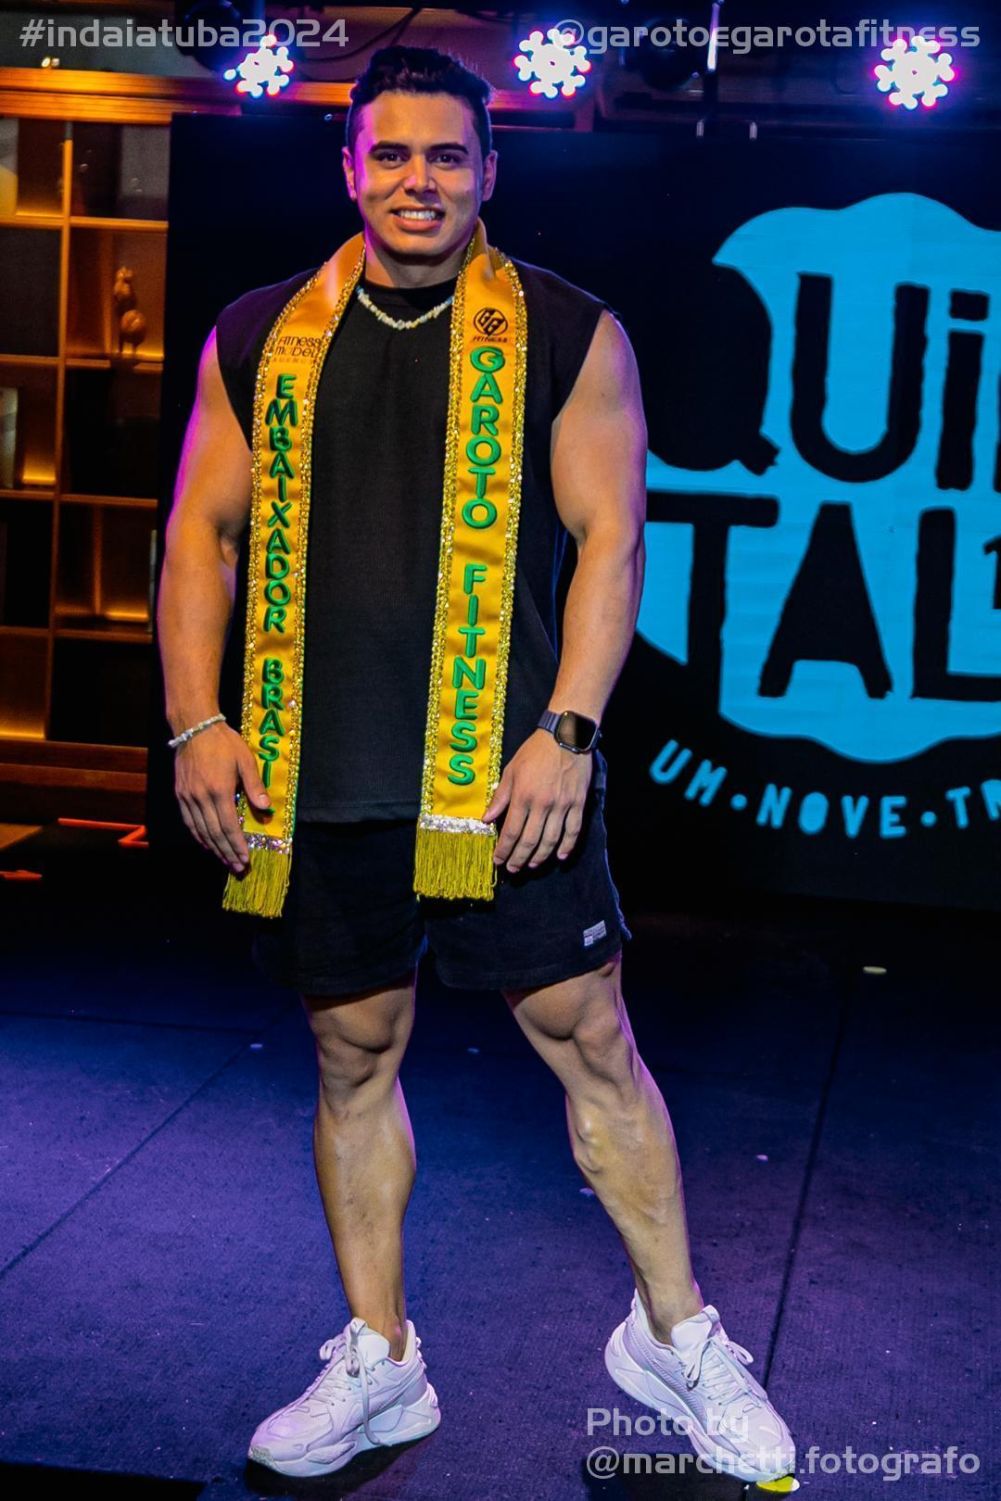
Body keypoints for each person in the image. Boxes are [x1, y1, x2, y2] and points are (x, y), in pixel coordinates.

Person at [158, 43, 795, 1487]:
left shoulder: (568, 331)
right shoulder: (257, 334)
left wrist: (568, 729)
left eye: (446, 155)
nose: (417, 181)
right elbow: (200, 532)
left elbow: (613, 541)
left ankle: (673, 1336)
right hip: (315, 774)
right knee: (351, 1052)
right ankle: (381, 1358)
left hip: (505, 777)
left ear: (489, 171)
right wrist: (197, 720)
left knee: (589, 1038)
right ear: (348, 168)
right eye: (390, 154)